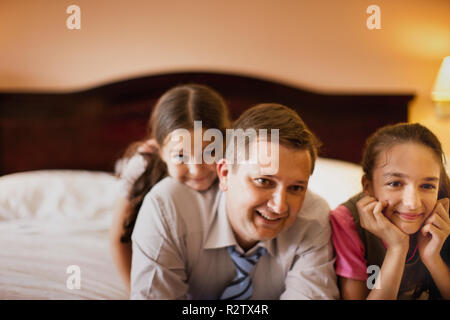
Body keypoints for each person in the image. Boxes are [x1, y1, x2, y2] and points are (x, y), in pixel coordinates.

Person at [130, 103, 339, 299]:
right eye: (263, 181)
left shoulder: (314, 219)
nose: (280, 206)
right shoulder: (167, 207)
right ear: (225, 173)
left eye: (296, 188)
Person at [109, 84, 230, 294]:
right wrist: (133, 290)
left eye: (209, 152)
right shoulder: (143, 165)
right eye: (180, 156)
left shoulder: (238, 162)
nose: (195, 168)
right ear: (160, 150)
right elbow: (119, 241)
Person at [330, 123, 450, 299]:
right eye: (395, 183)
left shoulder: (443, 213)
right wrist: (397, 248)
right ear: (368, 186)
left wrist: (432, 257)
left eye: (427, 185)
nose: (412, 203)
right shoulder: (348, 221)